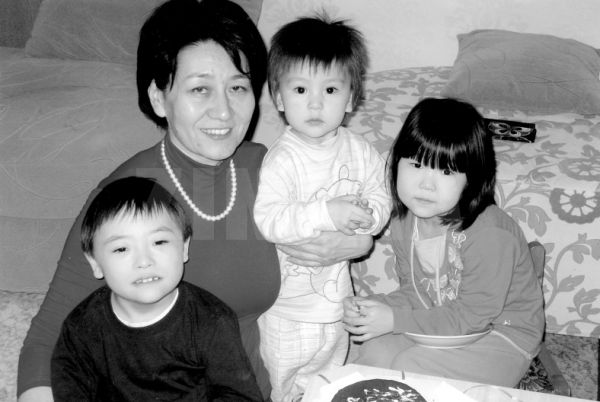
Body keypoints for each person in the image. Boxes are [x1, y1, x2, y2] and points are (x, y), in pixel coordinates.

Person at [17, 1, 373, 401]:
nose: (223, 111)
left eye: (237, 87)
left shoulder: (267, 168)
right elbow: (47, 338)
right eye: (200, 89)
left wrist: (358, 241)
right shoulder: (129, 196)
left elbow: (345, 217)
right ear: (158, 97)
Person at [343, 97, 545, 387]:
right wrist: (376, 308)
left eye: (446, 171)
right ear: (396, 163)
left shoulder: (490, 235)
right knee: (374, 350)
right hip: (445, 321)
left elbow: (472, 316)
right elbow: (416, 292)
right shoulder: (405, 220)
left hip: (501, 334)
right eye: (416, 164)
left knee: (411, 367)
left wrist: (395, 319)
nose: (426, 184)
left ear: (472, 178)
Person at [253, 14, 391, 401]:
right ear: (279, 98)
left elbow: (381, 194)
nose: (315, 103)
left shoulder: (359, 150)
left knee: (327, 386)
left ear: (351, 98)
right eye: (300, 89)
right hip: (287, 311)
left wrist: (369, 218)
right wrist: (325, 213)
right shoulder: (283, 159)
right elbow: (269, 220)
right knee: (282, 388)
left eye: (330, 89)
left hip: (336, 306)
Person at [51, 177, 262, 401]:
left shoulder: (212, 320)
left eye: (159, 242)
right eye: (121, 249)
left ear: (184, 247)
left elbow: (239, 396)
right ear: (95, 263)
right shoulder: (81, 327)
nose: (144, 261)